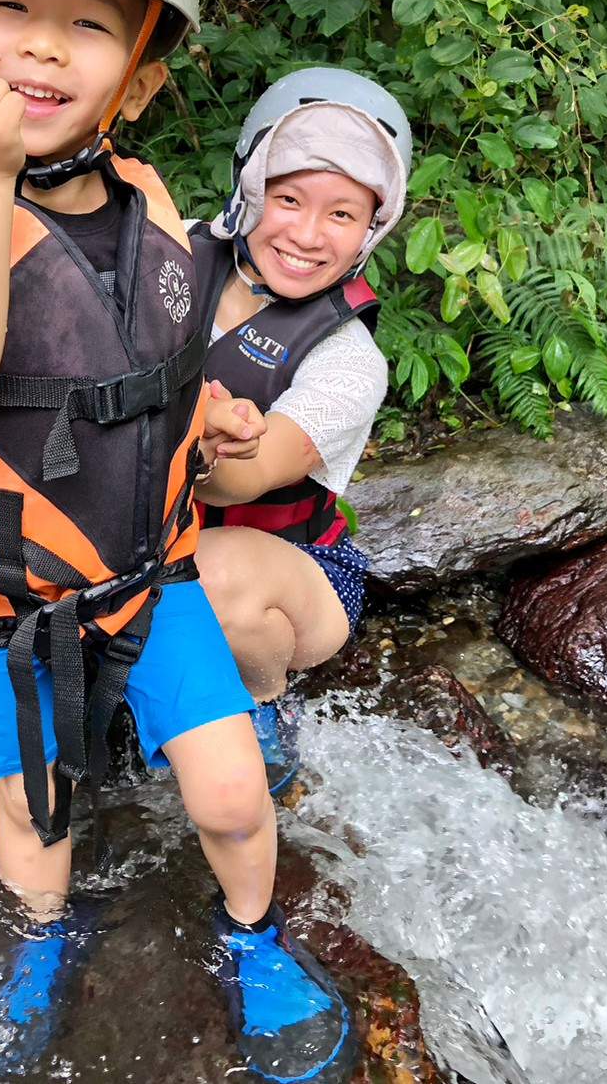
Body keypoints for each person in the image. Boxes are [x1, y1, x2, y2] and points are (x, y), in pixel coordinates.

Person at [0, 0, 355, 1083]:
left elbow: (152, 373)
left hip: (147, 579)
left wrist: (216, 421)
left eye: (86, 26)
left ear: (133, 78)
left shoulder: (149, 204)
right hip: (11, 607)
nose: (36, 45)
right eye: (6, 9)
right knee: (35, 807)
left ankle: (252, 938)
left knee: (232, 793)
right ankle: (38, 938)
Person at [189, 69, 413, 788]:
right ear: (250, 188)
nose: (307, 235)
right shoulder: (168, 257)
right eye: (288, 198)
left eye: (342, 214)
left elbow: (246, 473)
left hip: (286, 572)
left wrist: (192, 425)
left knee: (210, 573)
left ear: (369, 232)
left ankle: (262, 697)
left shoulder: (349, 359)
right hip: (132, 535)